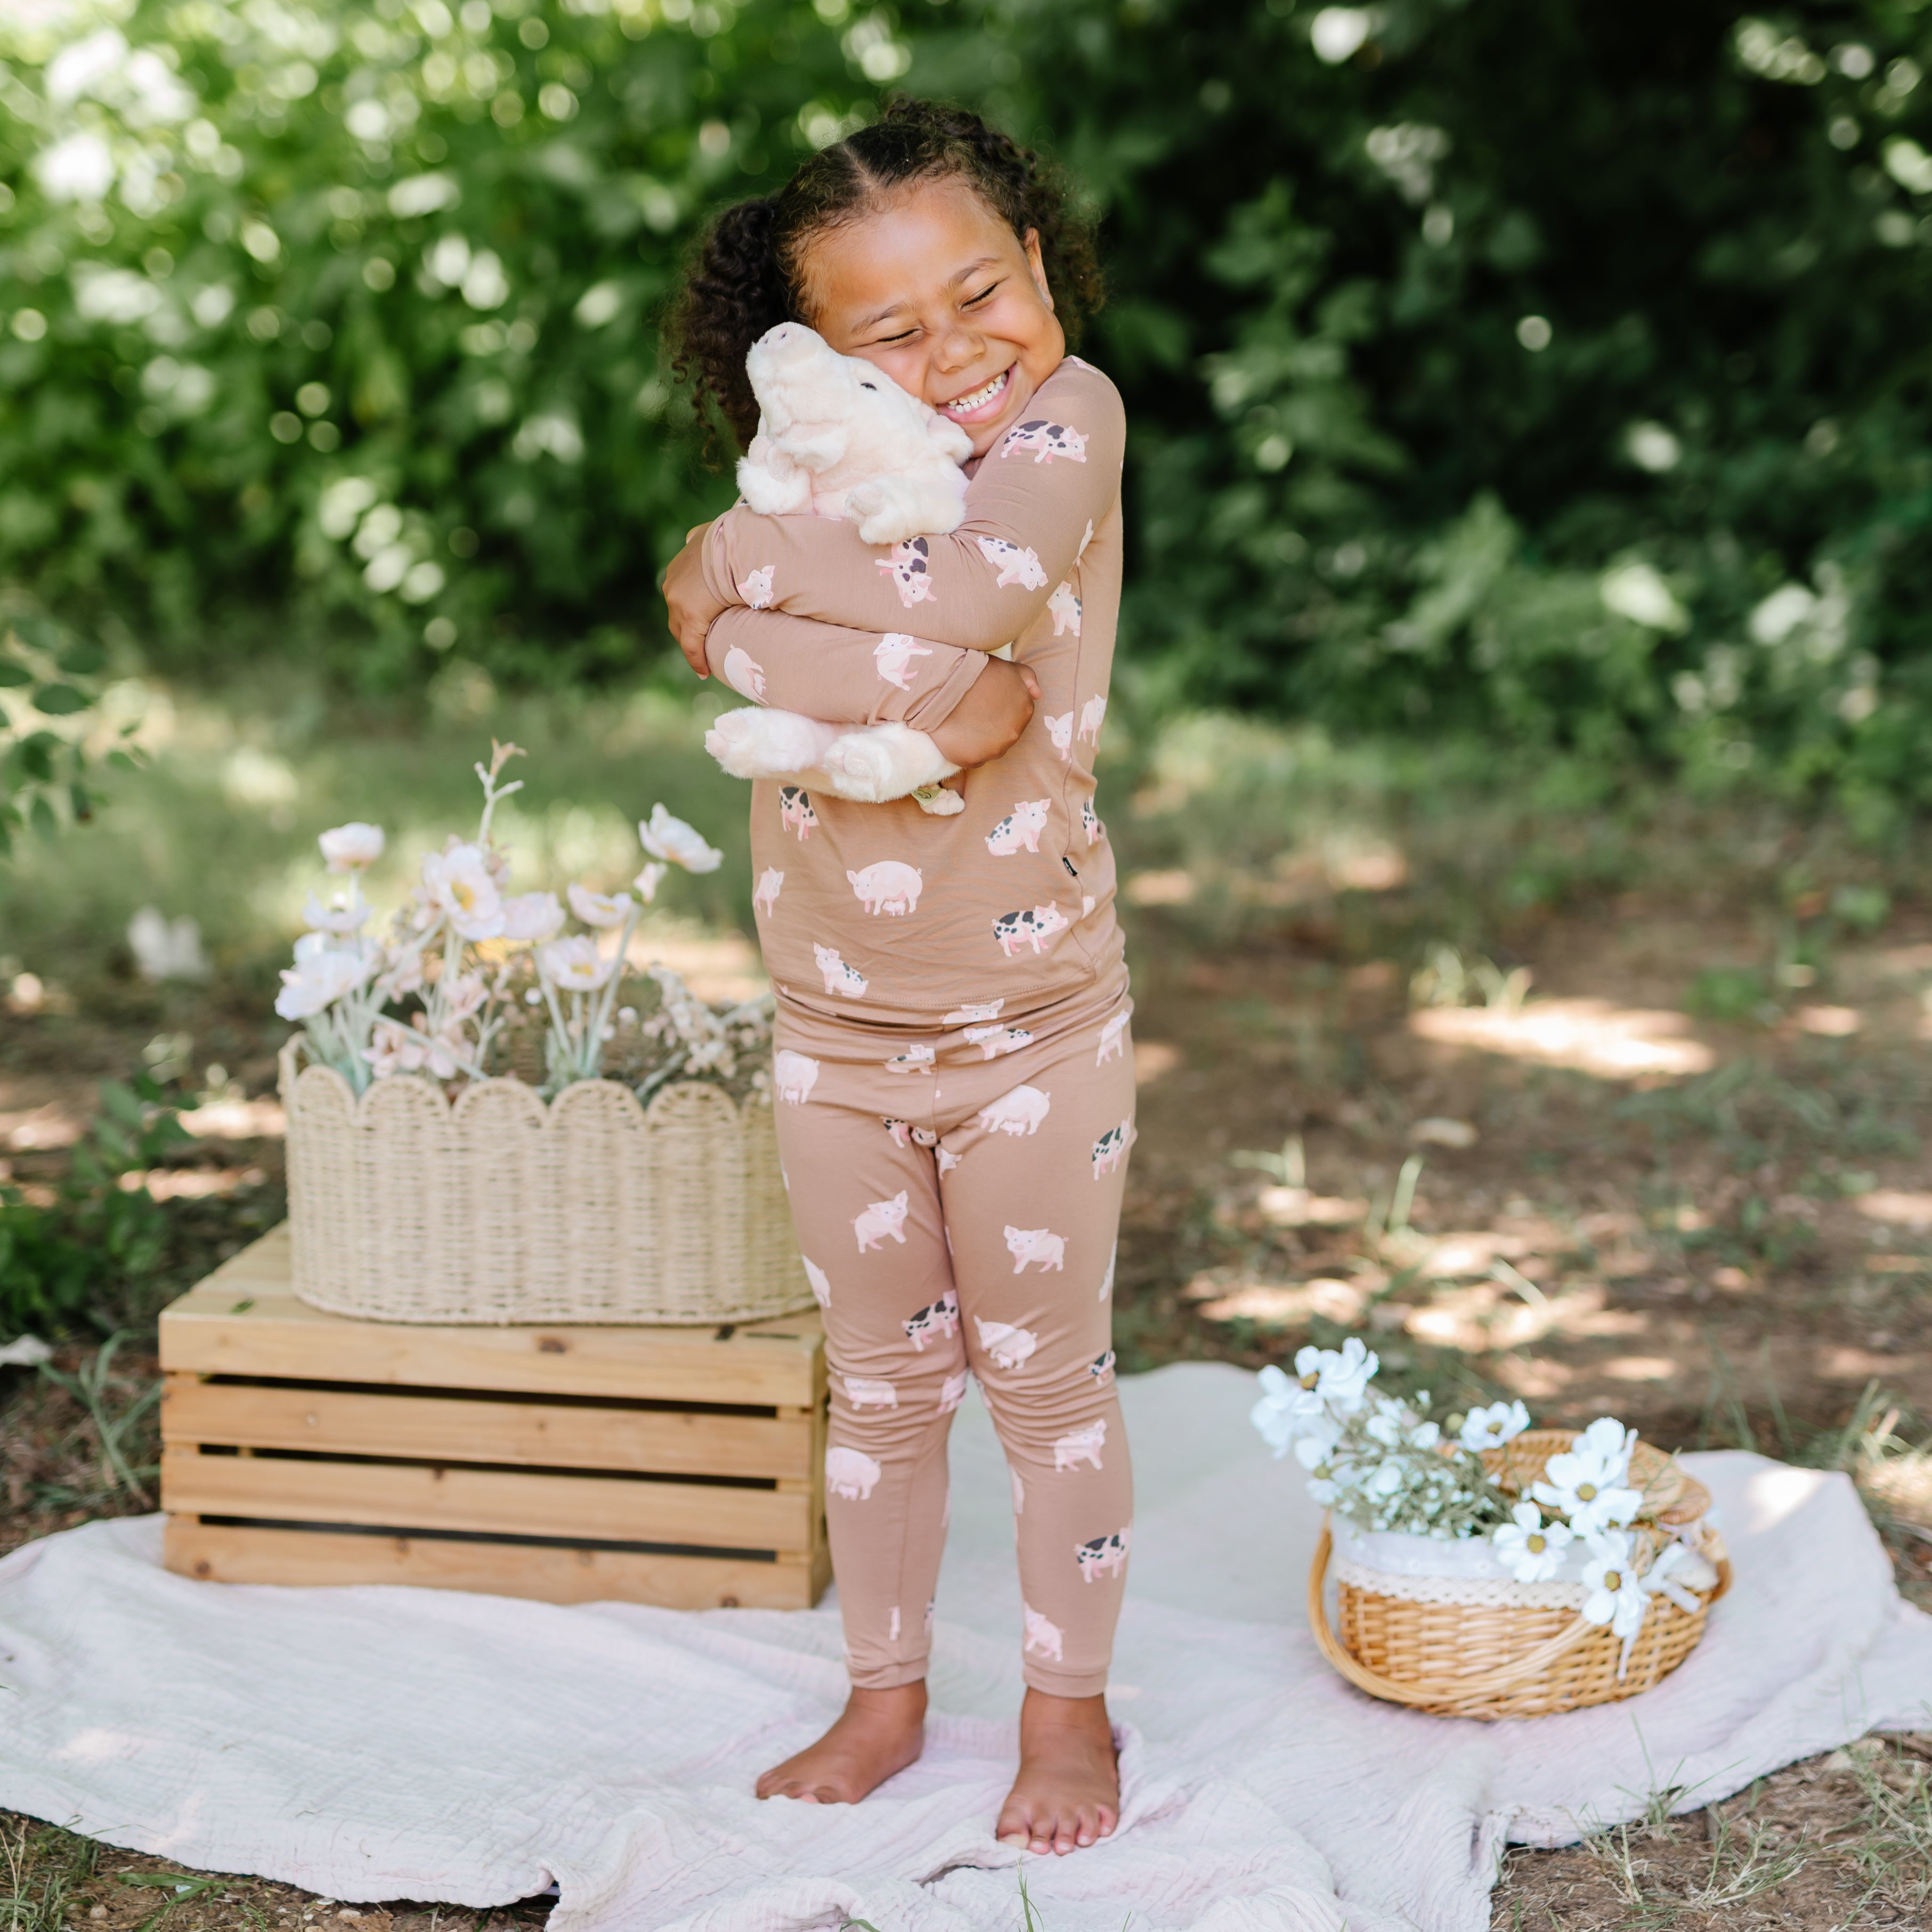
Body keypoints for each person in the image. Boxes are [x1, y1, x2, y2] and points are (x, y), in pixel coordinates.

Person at [661, 99, 1135, 1858]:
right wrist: (898, 675)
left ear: (1038, 265)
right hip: (833, 1035)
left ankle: (1067, 1708)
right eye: (891, 333)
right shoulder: (819, 473)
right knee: (877, 1385)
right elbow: (917, 636)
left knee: (1045, 1383)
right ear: (812, 363)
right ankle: (882, 1691)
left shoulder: (1070, 413)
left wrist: (732, 603)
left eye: (979, 291)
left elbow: (963, 593)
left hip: (1032, 1030)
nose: (954, 354)